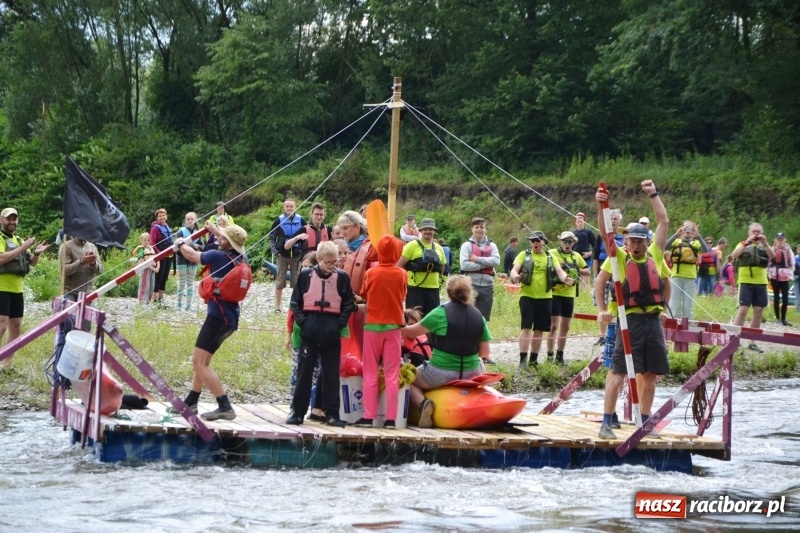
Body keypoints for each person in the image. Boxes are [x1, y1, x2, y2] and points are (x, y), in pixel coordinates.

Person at [594, 180, 669, 438]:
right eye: (632, 241)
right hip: (629, 321)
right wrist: (600, 203)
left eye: (640, 241)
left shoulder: (655, 255)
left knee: (650, 375)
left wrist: (653, 194)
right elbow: (605, 234)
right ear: (626, 242)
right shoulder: (620, 257)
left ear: (646, 242)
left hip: (652, 322)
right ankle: (606, 422)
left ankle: (645, 422)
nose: (636, 245)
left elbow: (663, 222)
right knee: (618, 372)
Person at [172, 221, 250, 421]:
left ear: (228, 242)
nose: (219, 239)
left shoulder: (217, 256)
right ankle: (191, 401)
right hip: (229, 318)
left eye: (222, 238)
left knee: (199, 363)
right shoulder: (242, 257)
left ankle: (224, 406)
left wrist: (180, 242)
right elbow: (225, 242)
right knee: (203, 361)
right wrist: (217, 231)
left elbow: (190, 255)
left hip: (217, 318)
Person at [400, 275, 492, 428]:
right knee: (481, 361)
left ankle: (423, 404)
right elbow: (485, 352)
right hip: (472, 373)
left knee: (407, 377)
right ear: (469, 293)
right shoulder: (479, 317)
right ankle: (481, 394)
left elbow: (410, 333)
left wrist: (393, 326)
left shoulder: (440, 312)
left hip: (440, 372)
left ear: (449, 292)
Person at [286, 241, 355, 427]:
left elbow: (348, 303)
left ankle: (331, 414)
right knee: (304, 373)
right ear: (319, 260)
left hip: (332, 331)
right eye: (329, 262)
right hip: (310, 330)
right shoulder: (305, 276)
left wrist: (339, 323)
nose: (334, 266)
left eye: (335, 262)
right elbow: (295, 303)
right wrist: (304, 323)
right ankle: (297, 413)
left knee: (331, 375)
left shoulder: (342, 278)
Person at [354, 235, 407, 429]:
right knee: (392, 374)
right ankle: (391, 419)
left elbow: (364, 293)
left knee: (370, 372)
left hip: (372, 326)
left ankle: (369, 416)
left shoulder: (371, 273)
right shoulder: (402, 273)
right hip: (394, 327)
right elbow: (404, 294)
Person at [509, 231, 575, 368]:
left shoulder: (550, 257)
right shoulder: (524, 255)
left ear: (544, 242)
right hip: (527, 296)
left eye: (538, 240)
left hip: (545, 298)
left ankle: (534, 360)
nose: (535, 243)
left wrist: (566, 279)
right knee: (526, 327)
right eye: (532, 241)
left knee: (539, 329)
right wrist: (515, 276)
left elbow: (559, 271)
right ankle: (523, 360)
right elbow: (514, 269)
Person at [0, 207, 48, 369]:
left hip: (17, 290)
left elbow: (31, 263)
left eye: (14, 219)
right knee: (1, 326)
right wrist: (23, 247)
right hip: (2, 288)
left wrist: (36, 253)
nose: (12, 222)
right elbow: (1, 259)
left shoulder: (19, 240)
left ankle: (7, 364)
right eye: (8, 219)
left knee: (16, 327)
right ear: (2, 220)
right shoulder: (1, 238)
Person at [731, 222, 775, 352]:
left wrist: (765, 243)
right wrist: (747, 243)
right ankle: (734, 339)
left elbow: (773, 256)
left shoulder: (765, 246)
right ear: (749, 233)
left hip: (761, 282)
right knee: (743, 309)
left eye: (758, 231)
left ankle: (752, 341)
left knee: (758, 311)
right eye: (753, 231)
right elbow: (734, 255)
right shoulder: (742, 244)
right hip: (745, 282)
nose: (756, 234)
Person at [546, 231, 589, 364]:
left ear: (573, 243)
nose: (567, 244)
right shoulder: (552, 253)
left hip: (569, 295)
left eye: (570, 242)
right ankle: (549, 355)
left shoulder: (576, 256)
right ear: (560, 242)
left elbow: (587, 270)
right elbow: (546, 266)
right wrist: (559, 267)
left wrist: (575, 267)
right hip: (555, 293)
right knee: (553, 326)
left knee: (565, 327)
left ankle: (560, 356)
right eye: (565, 241)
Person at [397, 218, 446, 317]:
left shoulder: (439, 248)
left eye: (430, 229)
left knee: (432, 320)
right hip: (415, 290)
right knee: (414, 319)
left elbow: (442, 267)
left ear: (434, 231)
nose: (428, 231)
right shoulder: (411, 246)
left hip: (433, 290)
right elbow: (399, 266)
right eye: (425, 229)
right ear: (420, 231)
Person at [459, 217, 500, 322]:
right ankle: (468, 338)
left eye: (482, 227)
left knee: (484, 319)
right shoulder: (466, 246)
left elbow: (496, 261)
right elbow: (464, 265)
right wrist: (485, 265)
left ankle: (482, 338)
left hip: (487, 287)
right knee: (468, 316)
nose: (479, 229)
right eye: (476, 227)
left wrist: (477, 259)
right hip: (471, 285)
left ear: (485, 229)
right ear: (472, 229)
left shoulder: (492, 245)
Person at [666, 221, 710, 319]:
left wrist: (698, 236)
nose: (688, 231)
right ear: (682, 229)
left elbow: (706, 250)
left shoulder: (696, 243)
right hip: (676, 276)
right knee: (674, 304)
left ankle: (688, 327)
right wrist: (675, 235)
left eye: (691, 229)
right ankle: (673, 327)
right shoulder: (676, 241)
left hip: (690, 277)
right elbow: (664, 246)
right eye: (686, 228)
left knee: (688, 306)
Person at [593, 209, 624, 345]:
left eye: (616, 219)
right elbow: (595, 256)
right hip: (604, 272)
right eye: (611, 219)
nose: (613, 221)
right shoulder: (602, 236)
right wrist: (596, 275)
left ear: (620, 221)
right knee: (603, 305)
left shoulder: (625, 236)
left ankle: (618, 332)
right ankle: (602, 335)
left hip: (618, 273)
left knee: (617, 303)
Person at [269, 198, 306, 313]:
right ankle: (277, 307)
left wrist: (304, 253)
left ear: (295, 207)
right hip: (282, 256)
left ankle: (295, 307)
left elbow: (307, 235)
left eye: (291, 206)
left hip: (297, 256)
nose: (289, 208)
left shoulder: (301, 220)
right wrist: (276, 252)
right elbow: (272, 237)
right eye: (287, 206)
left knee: (297, 283)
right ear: (284, 207)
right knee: (280, 282)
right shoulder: (278, 220)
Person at [174, 212, 204, 312]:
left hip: (193, 261)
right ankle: (178, 304)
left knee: (190, 283)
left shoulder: (198, 232)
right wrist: (192, 246)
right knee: (182, 282)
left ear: (195, 220)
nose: (190, 221)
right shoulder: (180, 232)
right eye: (188, 219)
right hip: (182, 259)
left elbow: (202, 246)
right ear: (185, 221)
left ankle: (188, 305)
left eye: (192, 219)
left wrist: (199, 247)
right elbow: (178, 247)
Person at [60, 234, 103, 301]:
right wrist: (81, 262)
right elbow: (64, 271)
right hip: (70, 293)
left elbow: (100, 270)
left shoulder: (92, 247)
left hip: (88, 293)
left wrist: (93, 263)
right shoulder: (66, 246)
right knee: (71, 311)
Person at [149, 208, 174, 308]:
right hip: (160, 256)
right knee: (158, 277)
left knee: (164, 277)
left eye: (164, 215)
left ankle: (161, 299)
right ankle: (154, 299)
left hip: (169, 256)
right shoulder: (154, 229)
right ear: (157, 218)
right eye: (160, 216)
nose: (162, 217)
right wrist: (159, 254)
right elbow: (152, 244)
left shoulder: (167, 227)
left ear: (166, 216)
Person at [768, 232, 794, 326]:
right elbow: (768, 262)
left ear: (784, 239)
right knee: (776, 297)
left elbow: (792, 263)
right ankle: (778, 318)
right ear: (776, 240)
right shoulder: (772, 249)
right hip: (775, 277)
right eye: (778, 239)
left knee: (785, 299)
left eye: (781, 239)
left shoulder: (788, 250)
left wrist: (791, 274)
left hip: (785, 277)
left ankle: (783, 319)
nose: (780, 241)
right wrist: (769, 274)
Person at [571, 212, 596, 287]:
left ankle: (586, 292)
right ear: (575, 222)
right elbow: (570, 247)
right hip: (575, 258)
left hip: (586, 258)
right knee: (576, 277)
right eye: (577, 220)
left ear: (584, 221)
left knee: (586, 278)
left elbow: (595, 246)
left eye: (581, 220)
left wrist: (589, 253)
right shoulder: (573, 233)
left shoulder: (588, 232)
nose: (579, 222)